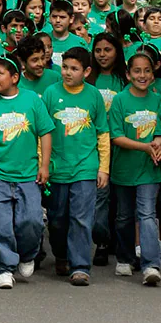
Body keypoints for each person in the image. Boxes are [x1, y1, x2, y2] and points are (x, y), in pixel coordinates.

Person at [0, 57, 53, 289]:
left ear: (14, 77)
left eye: (0, 73)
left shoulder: (32, 100)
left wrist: (44, 165)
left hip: (28, 174)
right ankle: (3, 268)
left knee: (31, 221)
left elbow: (46, 132)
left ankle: (28, 253)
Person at [42, 47, 109, 286]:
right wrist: (43, 163)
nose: (68, 73)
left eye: (74, 69)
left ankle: (80, 266)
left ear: (86, 71)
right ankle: (61, 254)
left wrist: (104, 168)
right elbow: (44, 131)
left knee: (81, 218)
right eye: (65, 67)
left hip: (86, 167)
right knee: (58, 218)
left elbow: (103, 133)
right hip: (57, 167)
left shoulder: (93, 96)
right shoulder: (51, 93)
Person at [108, 52, 161, 284]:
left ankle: (151, 265)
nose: (142, 75)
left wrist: (160, 146)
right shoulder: (120, 100)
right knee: (123, 216)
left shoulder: (159, 99)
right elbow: (116, 137)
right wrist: (145, 147)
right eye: (137, 71)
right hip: (123, 169)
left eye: (147, 71)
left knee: (147, 214)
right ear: (128, 74)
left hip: (149, 171)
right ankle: (125, 257)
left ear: (153, 75)